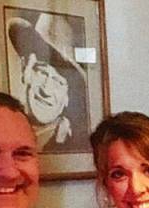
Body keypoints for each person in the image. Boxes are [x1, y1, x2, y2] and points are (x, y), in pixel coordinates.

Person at [7, 12, 89, 153]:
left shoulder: (66, 140)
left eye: (57, 80)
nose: (45, 88)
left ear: (67, 97)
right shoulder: (13, 133)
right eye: (41, 72)